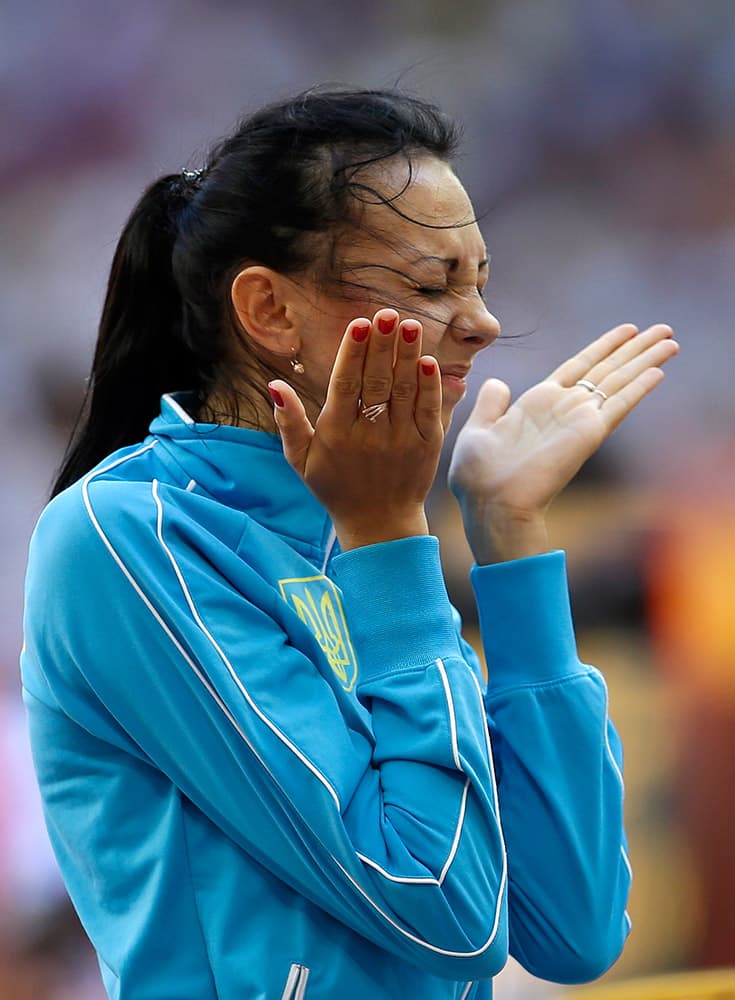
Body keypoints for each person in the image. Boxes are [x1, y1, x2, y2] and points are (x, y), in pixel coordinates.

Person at [20, 88, 678, 1000]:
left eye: (479, 278)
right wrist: (390, 538)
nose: (484, 323)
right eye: (428, 284)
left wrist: (509, 539)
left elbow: (573, 930)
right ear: (270, 311)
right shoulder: (130, 535)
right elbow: (440, 908)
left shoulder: (363, 525)